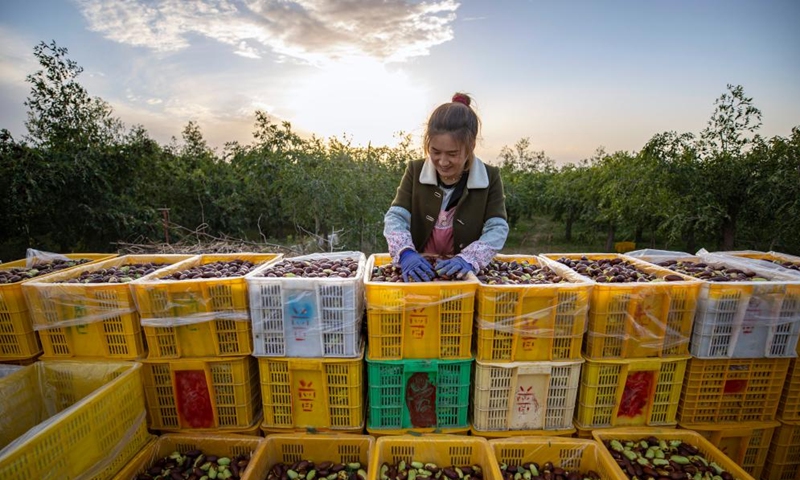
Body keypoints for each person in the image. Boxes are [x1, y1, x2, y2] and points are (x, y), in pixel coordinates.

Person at [383, 92, 509, 282]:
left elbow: (497, 227)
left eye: (452, 154)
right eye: (435, 151)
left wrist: (469, 258)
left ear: (471, 146)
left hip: (463, 273)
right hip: (420, 270)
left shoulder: (489, 177)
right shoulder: (415, 171)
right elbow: (396, 216)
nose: (442, 161)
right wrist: (406, 252)